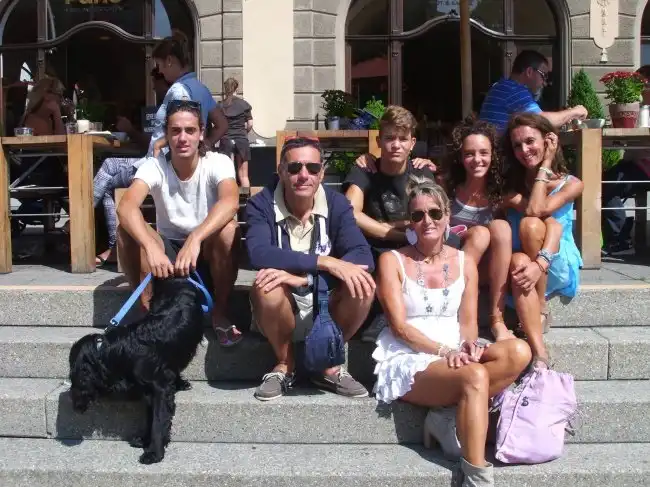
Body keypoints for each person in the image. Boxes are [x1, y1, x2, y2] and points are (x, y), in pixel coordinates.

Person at [373, 176, 531, 487]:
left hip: (454, 351)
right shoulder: (392, 261)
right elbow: (399, 327)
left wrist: (469, 345)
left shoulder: (464, 261)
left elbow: (468, 322)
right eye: (418, 215)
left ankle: (444, 416)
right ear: (410, 221)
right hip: (410, 356)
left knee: (519, 351)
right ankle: (476, 475)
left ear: (447, 216)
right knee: (475, 376)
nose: (427, 221)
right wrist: (445, 352)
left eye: (435, 213)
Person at [246, 136, 375, 401]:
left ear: (322, 173)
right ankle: (285, 364)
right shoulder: (261, 203)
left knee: (362, 284)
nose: (304, 175)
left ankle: (326, 365)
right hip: (281, 305)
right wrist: (324, 261)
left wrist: (305, 278)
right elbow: (259, 253)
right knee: (266, 285)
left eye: (313, 168)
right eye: (294, 168)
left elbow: (363, 256)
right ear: (281, 171)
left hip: (325, 302)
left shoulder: (338, 204)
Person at [116, 100, 240, 343]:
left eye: (190, 130)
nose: (182, 138)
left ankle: (220, 312)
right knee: (125, 231)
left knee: (229, 230)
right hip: (167, 252)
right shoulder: (154, 166)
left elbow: (230, 202)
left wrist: (195, 238)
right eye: (175, 131)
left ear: (201, 133)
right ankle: (147, 312)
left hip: (205, 250)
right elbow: (126, 207)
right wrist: (150, 247)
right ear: (167, 135)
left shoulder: (218, 162)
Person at [501, 113, 584, 369]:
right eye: (517, 145)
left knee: (530, 225)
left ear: (548, 141)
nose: (524, 150)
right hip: (524, 265)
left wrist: (546, 163)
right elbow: (533, 208)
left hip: (555, 261)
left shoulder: (572, 184)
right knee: (518, 260)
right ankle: (540, 354)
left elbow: (536, 210)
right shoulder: (510, 185)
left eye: (530, 141)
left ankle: (540, 305)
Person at [440, 117, 514, 341]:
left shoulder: (502, 193)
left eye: (484, 153)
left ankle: (497, 319)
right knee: (480, 234)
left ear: (493, 155)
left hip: (487, 271)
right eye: (469, 154)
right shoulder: (446, 187)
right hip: (451, 269)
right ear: (460, 157)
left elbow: (536, 206)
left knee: (500, 227)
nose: (477, 160)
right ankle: (456, 313)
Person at [344, 106, 440, 258]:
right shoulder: (365, 169)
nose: (396, 145)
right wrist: (401, 235)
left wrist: (384, 226)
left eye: (403, 139)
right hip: (374, 251)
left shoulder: (421, 172)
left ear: (412, 143)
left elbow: (433, 217)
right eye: (389, 138)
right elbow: (349, 213)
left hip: (415, 250)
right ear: (379, 141)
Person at [602, 66, 650, 253]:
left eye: (641, 84)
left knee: (608, 183)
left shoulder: (641, 111)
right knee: (602, 180)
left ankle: (619, 239)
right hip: (635, 164)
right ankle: (618, 237)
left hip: (644, 167)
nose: (638, 89)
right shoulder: (636, 108)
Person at [479, 50, 587, 133]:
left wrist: (565, 116)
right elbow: (542, 120)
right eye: (544, 75)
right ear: (529, 72)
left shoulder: (501, 86)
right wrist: (574, 112)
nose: (545, 83)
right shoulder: (514, 90)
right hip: (499, 152)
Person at [219, 77, 253, 191]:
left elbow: (217, 125)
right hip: (241, 139)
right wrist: (244, 132)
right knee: (243, 176)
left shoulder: (220, 105)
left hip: (226, 140)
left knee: (228, 175)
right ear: (236, 89)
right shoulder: (244, 104)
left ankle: (230, 198)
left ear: (225, 89)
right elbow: (250, 124)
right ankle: (246, 199)